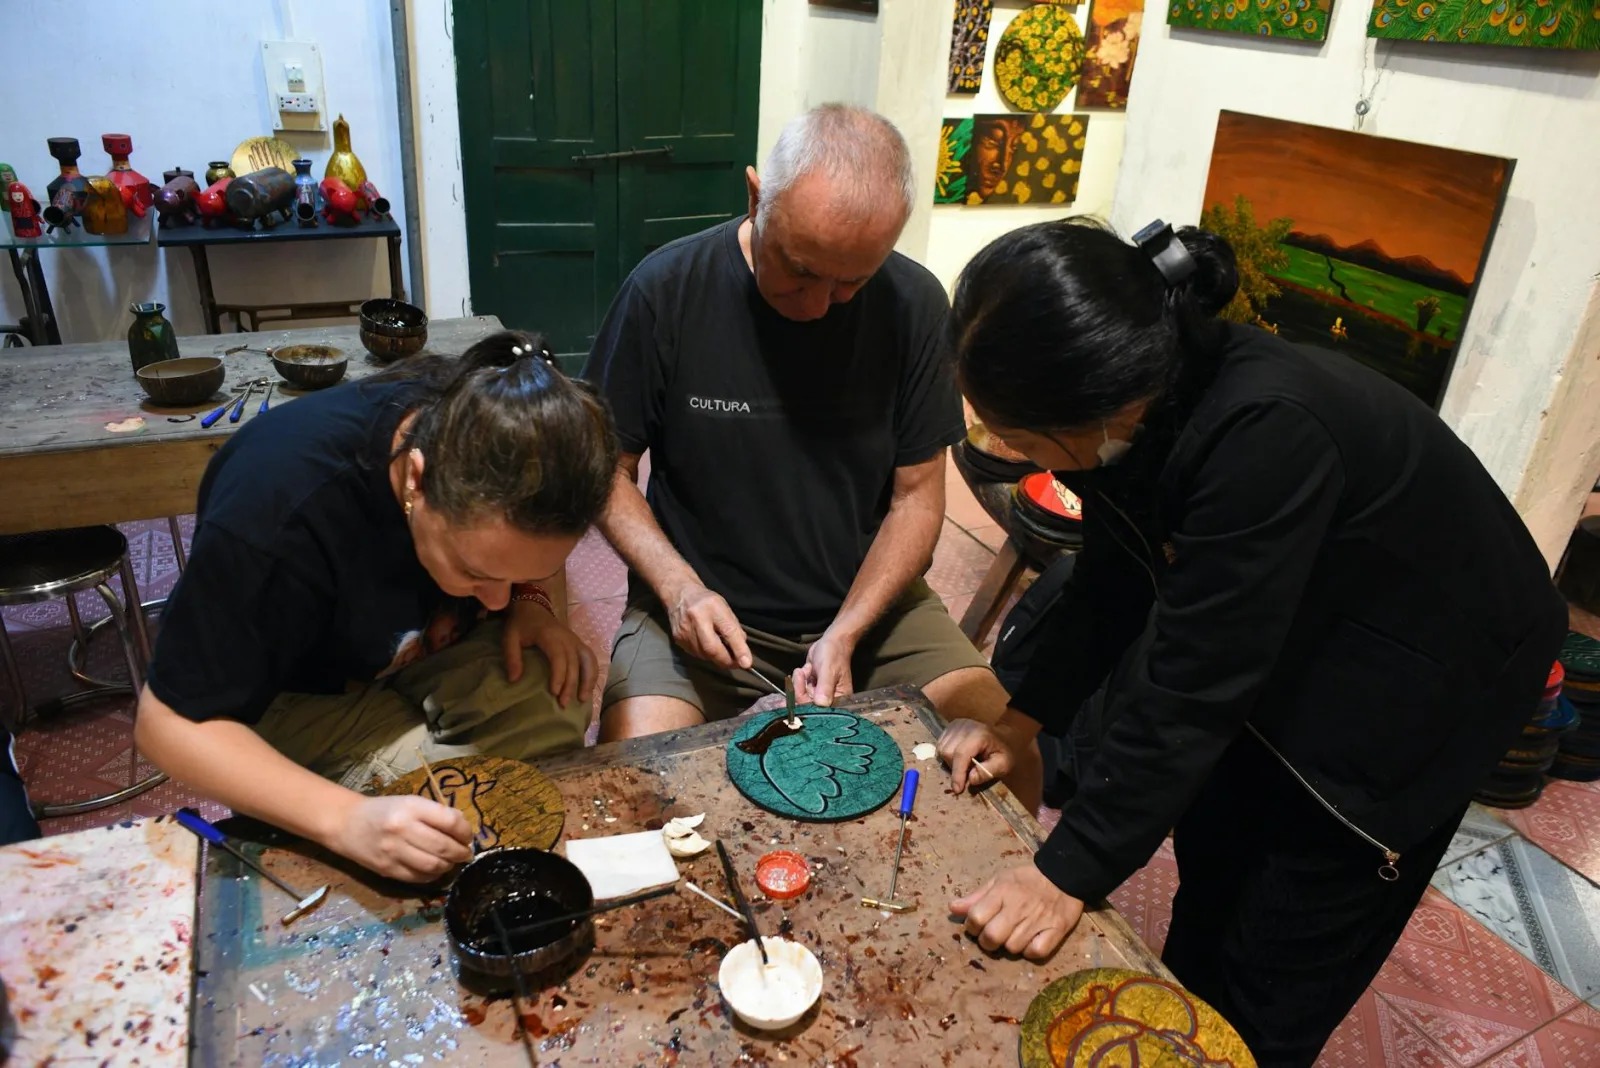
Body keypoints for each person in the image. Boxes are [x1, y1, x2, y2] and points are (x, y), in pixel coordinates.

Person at [935, 218, 1565, 1067]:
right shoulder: (1143, 409)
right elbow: (1111, 584)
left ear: (1108, 400)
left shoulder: (1267, 431)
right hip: (1311, 625)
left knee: (1279, 953)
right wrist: (1020, 720)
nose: (1008, 454)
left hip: (1425, 676)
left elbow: (1195, 684)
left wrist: (1065, 873)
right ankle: (1196, 1009)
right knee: (1215, 864)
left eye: (1020, 439)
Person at [582, 104, 1036, 802]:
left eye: (851, 283)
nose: (820, 305)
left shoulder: (915, 303)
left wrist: (847, 631)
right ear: (757, 197)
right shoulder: (664, 292)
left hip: (869, 608)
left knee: (1004, 751)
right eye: (799, 272)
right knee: (634, 790)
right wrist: (677, 588)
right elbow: (604, 474)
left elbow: (918, 498)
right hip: (701, 607)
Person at [135, 331, 618, 883]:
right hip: (288, 694)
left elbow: (523, 562)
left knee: (555, 692)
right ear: (416, 478)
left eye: (518, 577)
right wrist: (346, 820)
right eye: (476, 571)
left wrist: (534, 601)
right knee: (455, 814)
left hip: (403, 649)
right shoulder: (275, 516)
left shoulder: (485, 409)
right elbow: (164, 724)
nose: (496, 600)